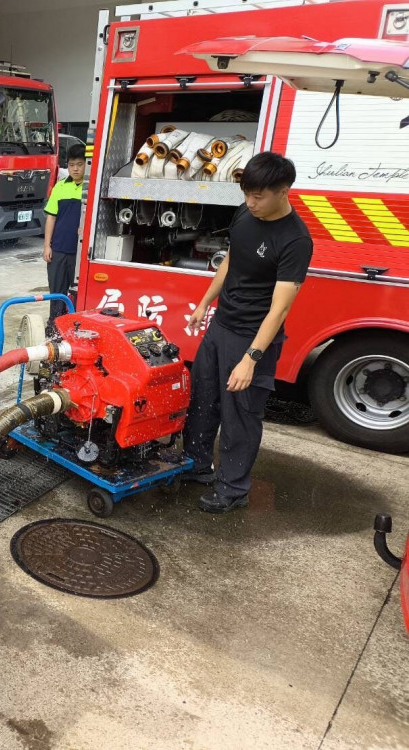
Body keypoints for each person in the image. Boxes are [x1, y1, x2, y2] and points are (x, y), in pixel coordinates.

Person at [183, 152, 313, 513]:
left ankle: (233, 489)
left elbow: (280, 308)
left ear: (284, 191)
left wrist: (251, 359)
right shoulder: (245, 213)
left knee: (240, 415)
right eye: (247, 194)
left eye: (259, 196)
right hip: (221, 325)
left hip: (253, 337)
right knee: (203, 400)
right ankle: (196, 466)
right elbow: (231, 259)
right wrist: (204, 303)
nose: (251, 203)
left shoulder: (295, 240)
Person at [43, 144, 86, 323]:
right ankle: (54, 326)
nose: (75, 169)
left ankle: (73, 326)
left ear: (87, 165)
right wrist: (47, 246)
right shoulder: (60, 187)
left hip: (80, 252)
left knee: (78, 292)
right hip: (59, 249)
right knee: (56, 292)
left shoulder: (90, 187)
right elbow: (51, 218)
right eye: (71, 165)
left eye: (80, 164)